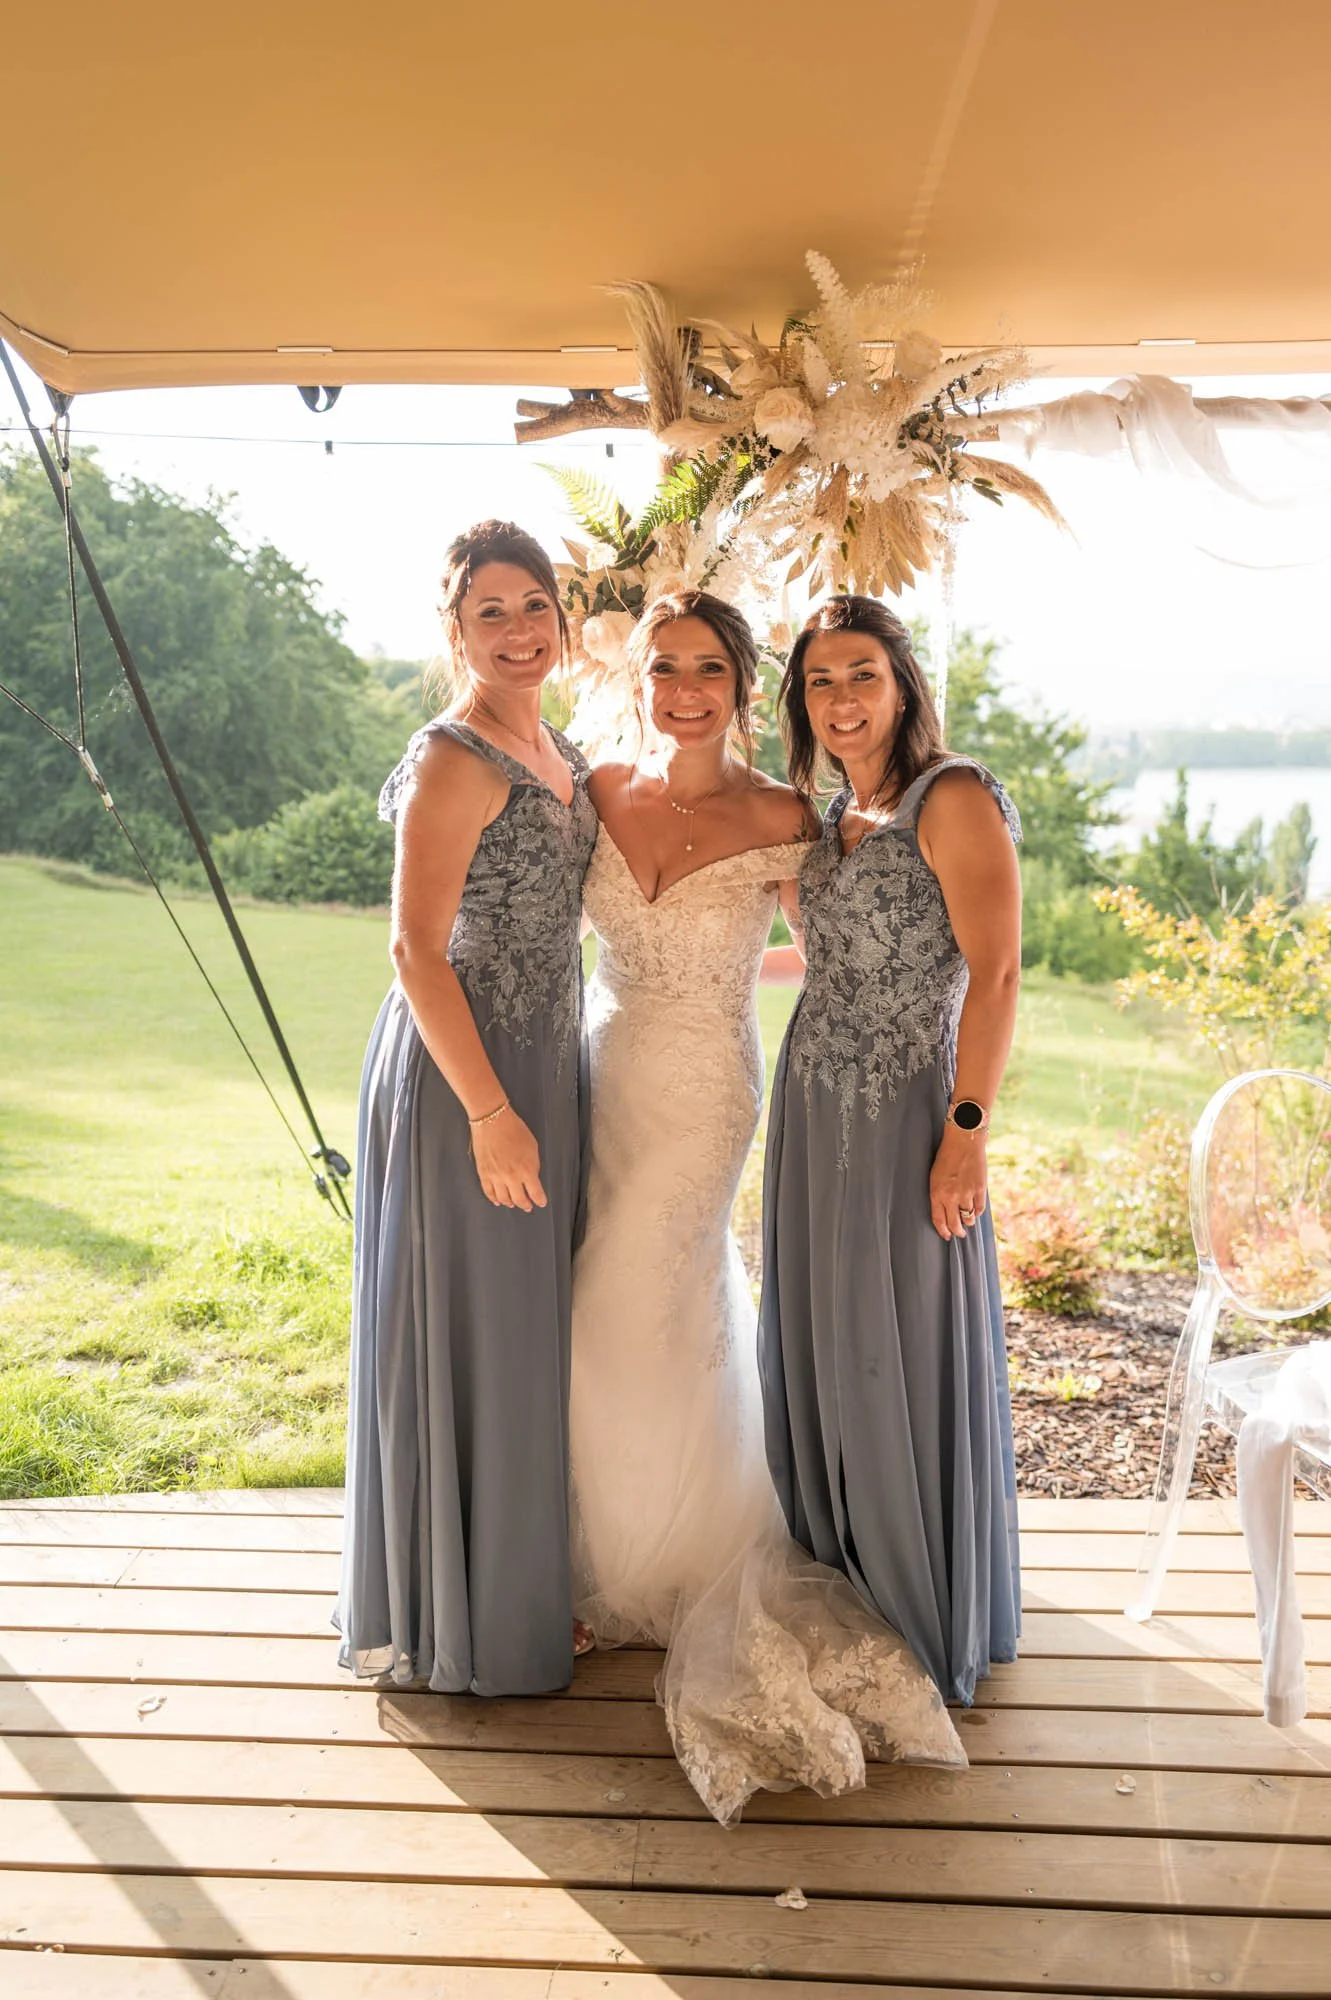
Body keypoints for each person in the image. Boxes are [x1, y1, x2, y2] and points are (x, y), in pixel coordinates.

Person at [570, 589, 965, 1822]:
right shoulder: (593, 791)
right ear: (636, 677)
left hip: (704, 1088)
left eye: (709, 669)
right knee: (594, 1307)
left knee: (640, 1292)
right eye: (664, 666)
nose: (684, 690)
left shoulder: (790, 816)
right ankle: (583, 1544)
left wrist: (941, 1092)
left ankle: (666, 1556)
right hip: (598, 1071)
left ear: (745, 689)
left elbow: (862, 941)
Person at [335, 519, 598, 1697]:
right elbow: (413, 948)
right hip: (465, 1078)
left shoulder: (558, 748)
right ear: (455, 631)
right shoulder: (451, 756)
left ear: (563, 619)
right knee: (475, 1328)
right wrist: (490, 1111)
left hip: (544, 1064)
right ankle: (463, 1614)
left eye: (533, 604)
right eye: (489, 611)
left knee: (523, 1332)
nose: (517, 628)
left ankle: (517, 1581)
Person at [759, 594, 1023, 1707]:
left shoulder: (950, 796)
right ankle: (842, 1566)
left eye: (861, 674)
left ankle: (918, 1589)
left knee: (897, 1332)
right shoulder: (828, 817)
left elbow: (995, 974)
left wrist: (965, 1131)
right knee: (824, 1331)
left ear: (902, 685)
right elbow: (824, 954)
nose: (841, 699)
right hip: (810, 1102)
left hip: (910, 1107)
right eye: (820, 681)